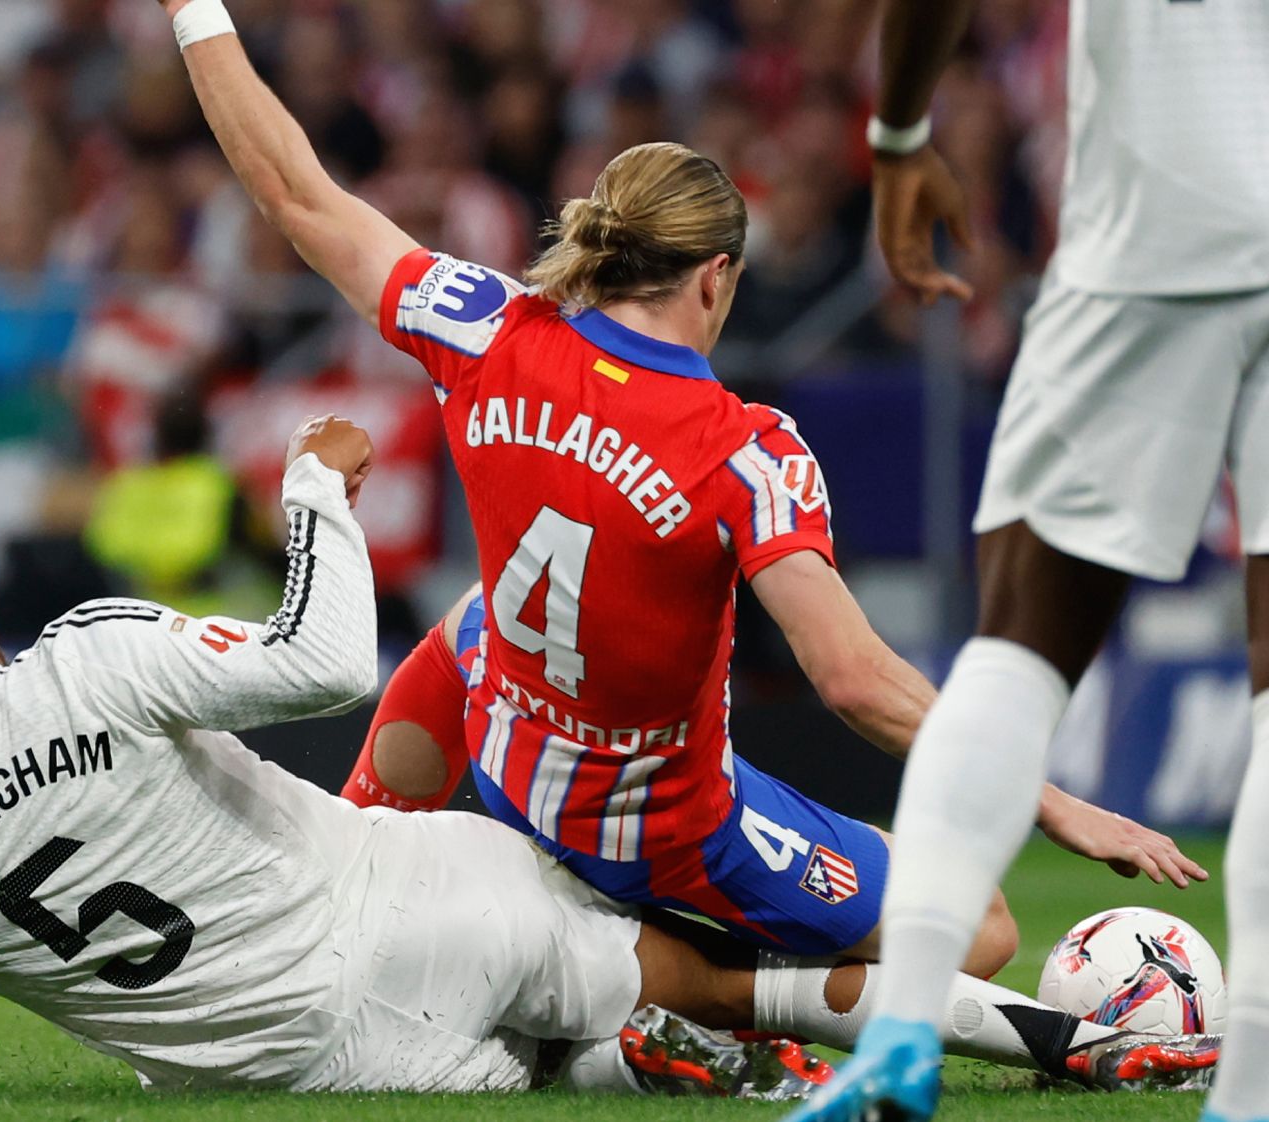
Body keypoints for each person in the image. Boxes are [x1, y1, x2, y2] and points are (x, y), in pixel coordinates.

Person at [0, 417, 1218, 1098]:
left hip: (321, 1065)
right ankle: (1083, 1039)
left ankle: (646, 1048)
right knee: (721, 977)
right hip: (419, 896)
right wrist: (320, 485)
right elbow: (329, 650)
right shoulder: (80, 662)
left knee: (589, 1044)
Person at [158, 0, 1199, 974]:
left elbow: (294, 190)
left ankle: (350, 894)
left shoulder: (480, 325)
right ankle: (655, 991)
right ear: (714, 276)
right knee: (976, 928)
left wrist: (189, 9)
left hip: (510, 756)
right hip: (649, 826)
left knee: (477, 622)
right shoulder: (743, 450)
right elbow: (847, 676)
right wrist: (1050, 801)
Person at [790, 1, 1269, 1119]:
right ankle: (1245, 1092)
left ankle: (901, 1027)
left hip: (1157, 216)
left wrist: (899, 135)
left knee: (1015, 647)